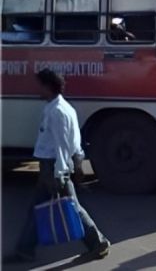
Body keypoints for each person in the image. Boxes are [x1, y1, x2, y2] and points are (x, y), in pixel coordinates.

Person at [7, 69, 111, 265]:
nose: (36, 90)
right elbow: (74, 142)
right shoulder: (63, 108)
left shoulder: (57, 112)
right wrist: (77, 161)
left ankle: (97, 242)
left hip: (53, 167)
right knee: (40, 208)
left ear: (47, 87)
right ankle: (24, 250)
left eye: (39, 86)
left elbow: (62, 145)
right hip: (53, 166)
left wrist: (60, 173)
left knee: (71, 207)